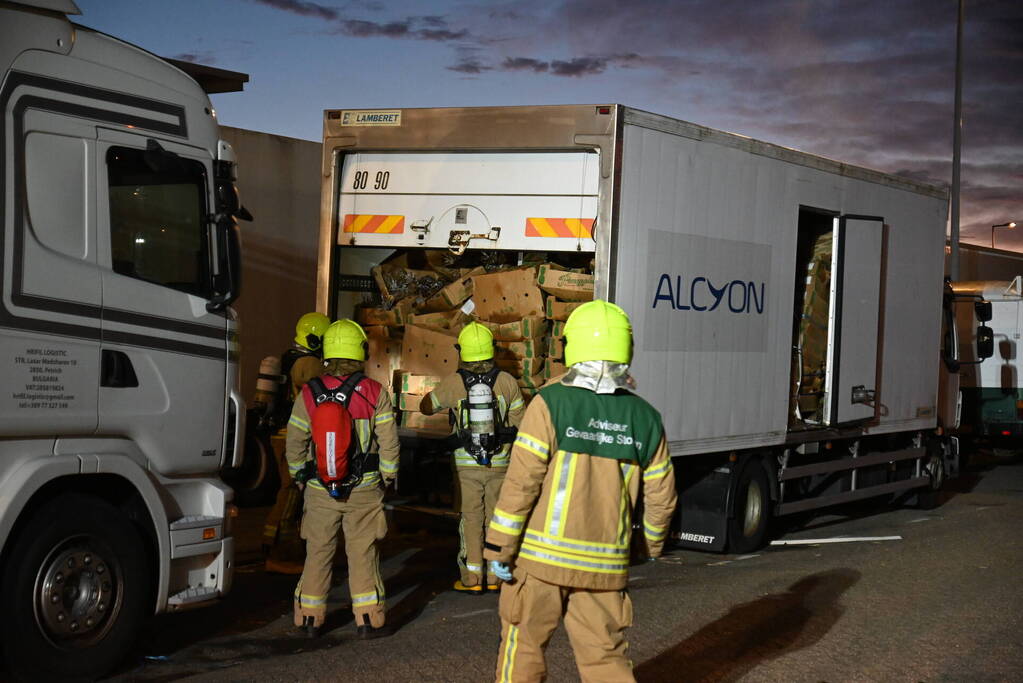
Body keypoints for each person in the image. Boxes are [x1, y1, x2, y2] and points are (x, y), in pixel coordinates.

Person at [484, 300, 678, 682]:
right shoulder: (645, 417)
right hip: (604, 565)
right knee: (606, 659)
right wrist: (648, 547)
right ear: (626, 349)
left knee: (523, 649)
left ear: (570, 346)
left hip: (540, 562)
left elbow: (521, 485)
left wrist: (499, 548)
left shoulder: (549, 403)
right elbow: (662, 497)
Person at [286, 319, 400, 639]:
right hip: (364, 488)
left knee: (318, 552)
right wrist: (388, 475)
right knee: (362, 552)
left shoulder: (309, 393)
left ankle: (309, 619)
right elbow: (389, 442)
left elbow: (295, 440)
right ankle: (369, 620)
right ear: (361, 351)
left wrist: (298, 474)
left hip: (319, 489)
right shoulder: (374, 392)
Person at [421, 322, 526, 593]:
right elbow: (521, 424)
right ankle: (496, 576)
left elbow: (426, 407)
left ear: (462, 352)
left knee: (470, 518)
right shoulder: (507, 382)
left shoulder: (454, 383)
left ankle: (472, 578)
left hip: (465, 465)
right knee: (496, 518)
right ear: (491, 351)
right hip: (499, 462)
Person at [262, 311, 331, 573]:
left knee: (290, 490)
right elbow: (321, 397)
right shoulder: (310, 363)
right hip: (295, 436)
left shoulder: (288, 357)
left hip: (281, 433)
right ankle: (280, 553)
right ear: (315, 339)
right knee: (291, 491)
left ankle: (272, 544)